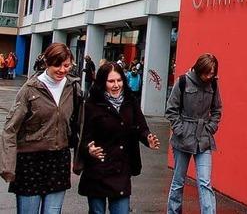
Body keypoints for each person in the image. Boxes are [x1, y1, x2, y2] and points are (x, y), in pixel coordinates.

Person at [0, 42, 81, 214]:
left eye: (66, 65)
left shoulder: (73, 87)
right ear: (46, 63)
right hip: (30, 162)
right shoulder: (29, 89)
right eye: (56, 65)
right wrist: (8, 165)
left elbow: (81, 125)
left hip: (59, 159)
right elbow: (10, 129)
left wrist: (80, 160)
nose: (62, 70)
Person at [77, 62, 160, 214]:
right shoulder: (92, 104)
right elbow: (84, 135)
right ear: (102, 82)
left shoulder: (130, 101)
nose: (116, 85)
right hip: (97, 169)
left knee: (122, 210)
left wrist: (147, 138)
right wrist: (89, 148)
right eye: (111, 81)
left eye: (119, 80)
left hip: (121, 167)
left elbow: (140, 126)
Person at [165, 53, 222, 214]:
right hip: (183, 137)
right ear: (199, 69)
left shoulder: (214, 85)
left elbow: (217, 109)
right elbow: (171, 110)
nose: (210, 76)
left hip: (203, 138)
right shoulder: (183, 81)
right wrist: (180, 130)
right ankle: (173, 211)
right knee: (178, 181)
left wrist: (211, 127)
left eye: (213, 72)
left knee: (205, 182)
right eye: (207, 72)